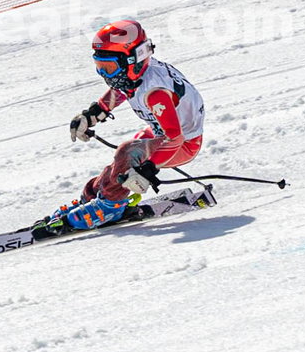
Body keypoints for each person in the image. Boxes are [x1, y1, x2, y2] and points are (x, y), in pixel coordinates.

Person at [36, 18, 209, 236]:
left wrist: (147, 170)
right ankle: (92, 199)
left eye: (109, 68)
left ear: (133, 59)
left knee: (129, 152)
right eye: (100, 67)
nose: (105, 75)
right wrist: (91, 116)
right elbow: (121, 90)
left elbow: (174, 138)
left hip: (183, 143)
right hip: (162, 132)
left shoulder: (155, 92)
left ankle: (109, 208)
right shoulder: (134, 75)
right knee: (118, 165)